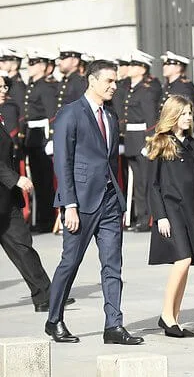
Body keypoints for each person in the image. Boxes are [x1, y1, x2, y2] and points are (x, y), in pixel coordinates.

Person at [47, 60, 143, 345]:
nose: (114, 86)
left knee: (113, 266)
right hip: (82, 203)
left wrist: (117, 196)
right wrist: (69, 205)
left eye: (116, 81)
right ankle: (54, 320)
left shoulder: (111, 115)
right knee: (70, 263)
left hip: (110, 202)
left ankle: (113, 326)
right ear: (92, 80)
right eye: (109, 81)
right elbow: (62, 162)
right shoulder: (70, 114)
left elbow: (110, 160)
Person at [0, 72, 75, 313]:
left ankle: (45, 296)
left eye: (5, 86)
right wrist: (16, 178)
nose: (5, 90)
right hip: (7, 187)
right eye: (0, 86)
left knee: (22, 245)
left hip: (6, 198)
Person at [146, 95, 194, 338]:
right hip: (170, 210)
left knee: (187, 262)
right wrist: (160, 216)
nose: (188, 117)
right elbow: (153, 185)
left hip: (190, 211)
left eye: (189, 113)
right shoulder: (161, 142)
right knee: (181, 260)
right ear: (172, 115)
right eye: (183, 113)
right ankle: (165, 314)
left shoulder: (192, 144)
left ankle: (175, 318)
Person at [122, 50, 162, 232]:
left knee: (146, 181)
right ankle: (141, 217)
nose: (129, 68)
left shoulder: (145, 90)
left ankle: (149, 218)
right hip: (131, 139)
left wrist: (149, 142)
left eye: (133, 65)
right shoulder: (131, 89)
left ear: (142, 69)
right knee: (138, 182)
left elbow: (150, 118)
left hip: (142, 139)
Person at [23, 49, 58, 233]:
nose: (29, 67)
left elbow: (52, 114)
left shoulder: (45, 86)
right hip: (32, 136)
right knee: (37, 179)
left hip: (43, 135)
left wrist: (52, 138)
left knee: (45, 180)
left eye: (33, 63)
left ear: (43, 66)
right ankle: (43, 218)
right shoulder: (33, 85)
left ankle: (47, 219)